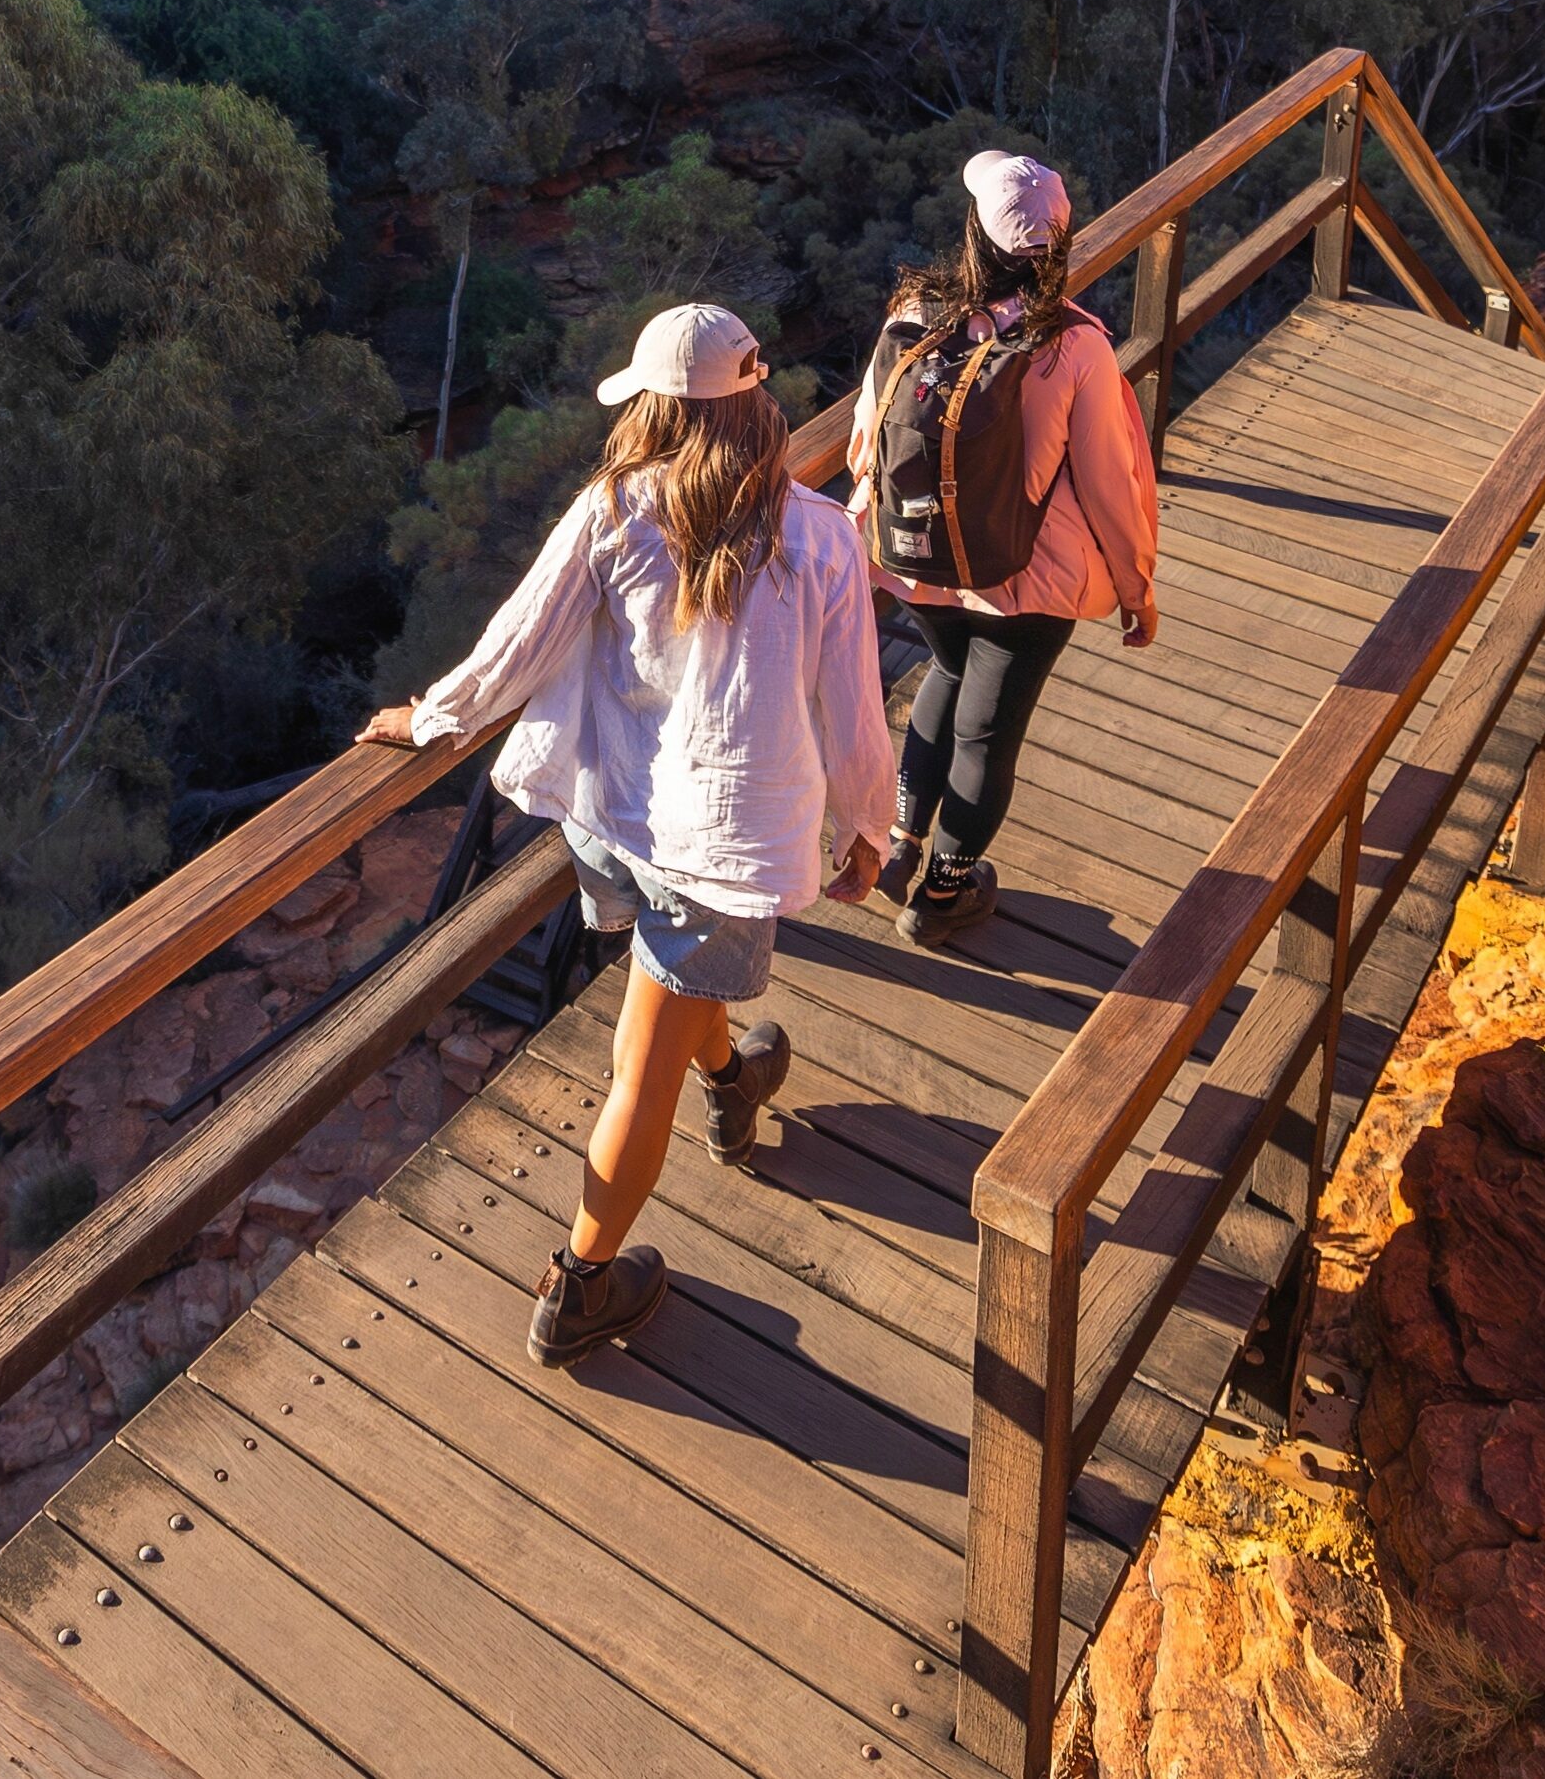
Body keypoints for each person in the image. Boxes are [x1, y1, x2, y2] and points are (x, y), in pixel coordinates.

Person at [360, 302, 894, 1366]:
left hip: (614, 822)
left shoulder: (614, 508)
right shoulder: (820, 536)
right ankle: (581, 1286)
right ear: (755, 407)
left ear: (655, 409)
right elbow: (853, 706)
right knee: (636, 1067)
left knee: (666, 997)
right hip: (722, 848)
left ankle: (734, 1080)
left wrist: (431, 718)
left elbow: (520, 640)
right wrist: (866, 829)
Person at [849, 150, 1161, 950]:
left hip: (917, 559)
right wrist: (1136, 586)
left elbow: (867, 441)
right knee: (990, 735)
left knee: (947, 674)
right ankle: (944, 896)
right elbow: (1108, 484)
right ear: (1056, 247)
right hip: (1026, 577)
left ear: (975, 236)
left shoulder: (914, 312)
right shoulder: (1074, 346)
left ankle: (900, 843)